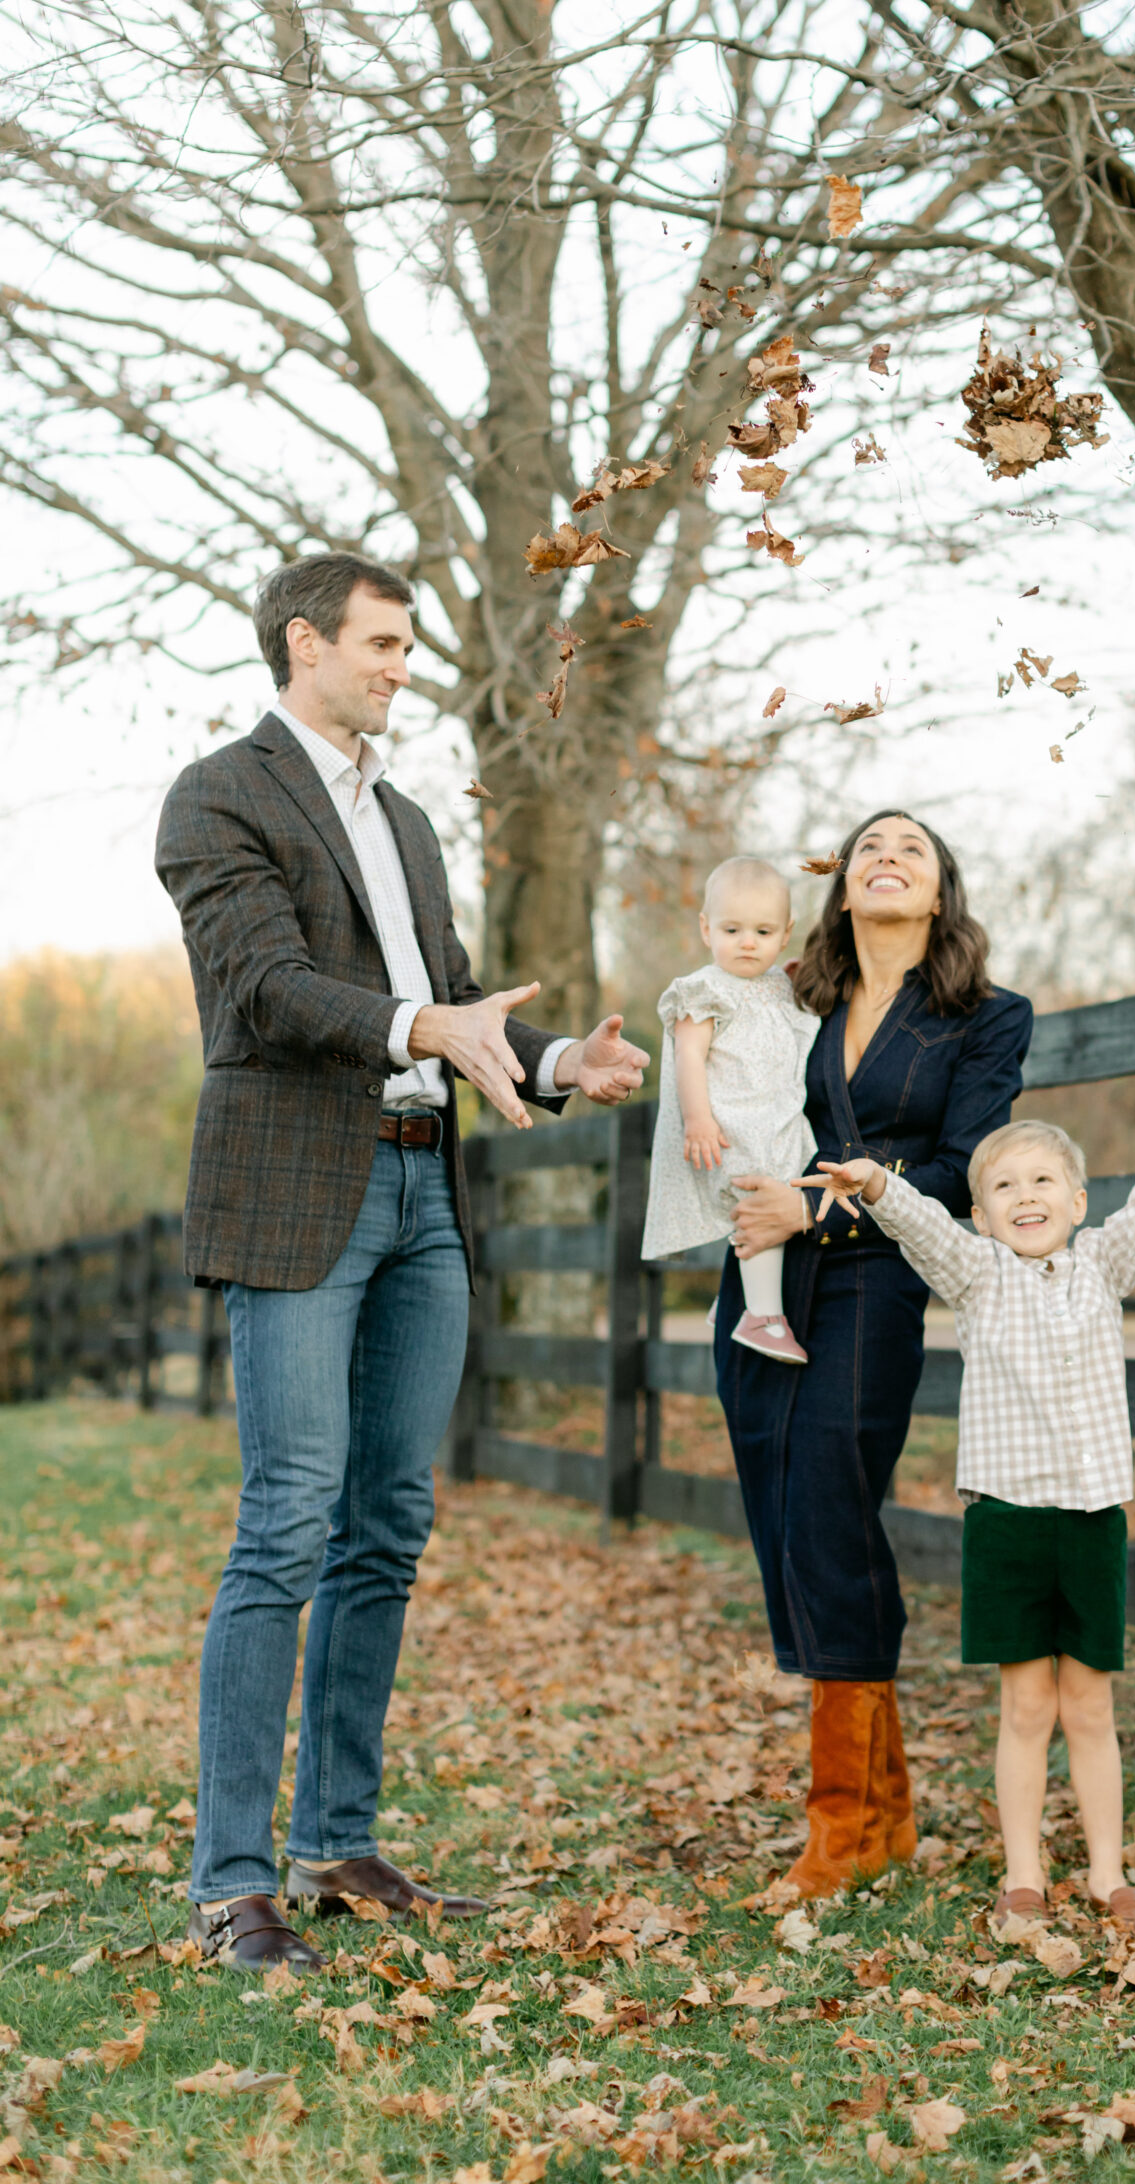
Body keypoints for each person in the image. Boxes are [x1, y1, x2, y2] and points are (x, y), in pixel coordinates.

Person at [155, 551, 648, 1973]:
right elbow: (262, 989)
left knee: (389, 1522)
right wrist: (425, 1029)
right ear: (303, 643)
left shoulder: (412, 821)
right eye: (378, 642)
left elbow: (454, 993)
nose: (399, 665)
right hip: (301, 1193)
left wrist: (556, 1060)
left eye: (406, 643)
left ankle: (336, 1844)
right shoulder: (220, 794)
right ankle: (230, 1880)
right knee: (286, 1522)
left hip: (429, 1195)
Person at [803, 1095, 1135, 1937]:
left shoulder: (1102, 1265)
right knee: (1025, 1709)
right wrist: (875, 1185)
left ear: (1077, 1202)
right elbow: (923, 1228)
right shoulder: (977, 1275)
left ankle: (1107, 1873)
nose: (1025, 1195)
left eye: (1043, 1179)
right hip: (1007, 1523)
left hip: (1090, 1520)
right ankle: (1023, 1875)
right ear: (983, 1213)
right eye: (1003, 1186)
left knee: (1088, 1707)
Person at [715, 810, 1032, 1898]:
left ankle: (838, 1832)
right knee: (783, 1517)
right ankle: (886, 1817)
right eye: (866, 849)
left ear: (940, 891)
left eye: (912, 848)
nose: (886, 856)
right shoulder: (782, 1001)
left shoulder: (986, 1020)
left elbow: (962, 1168)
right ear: (842, 890)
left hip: (876, 1274)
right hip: (759, 1276)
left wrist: (824, 1209)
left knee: (830, 1512)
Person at [642, 857, 820, 1365]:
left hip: (771, 1120)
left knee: (780, 1192)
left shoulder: (778, 984)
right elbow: (688, 1056)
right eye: (732, 929)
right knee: (761, 1195)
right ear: (705, 929)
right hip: (729, 1124)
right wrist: (698, 1118)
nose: (747, 942)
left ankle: (737, 1300)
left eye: (762, 931)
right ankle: (762, 1317)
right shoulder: (706, 987)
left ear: (785, 934)